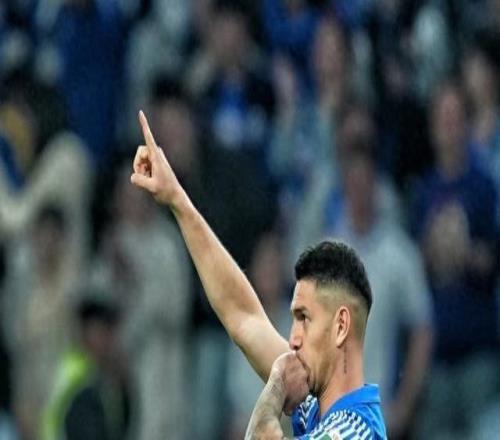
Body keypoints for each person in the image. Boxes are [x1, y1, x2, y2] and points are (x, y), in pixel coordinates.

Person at [130, 111, 387, 438]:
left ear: (340, 326)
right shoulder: (317, 409)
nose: (293, 338)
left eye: (305, 319)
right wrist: (178, 200)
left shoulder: (351, 432)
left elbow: (262, 434)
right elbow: (243, 316)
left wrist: (276, 382)